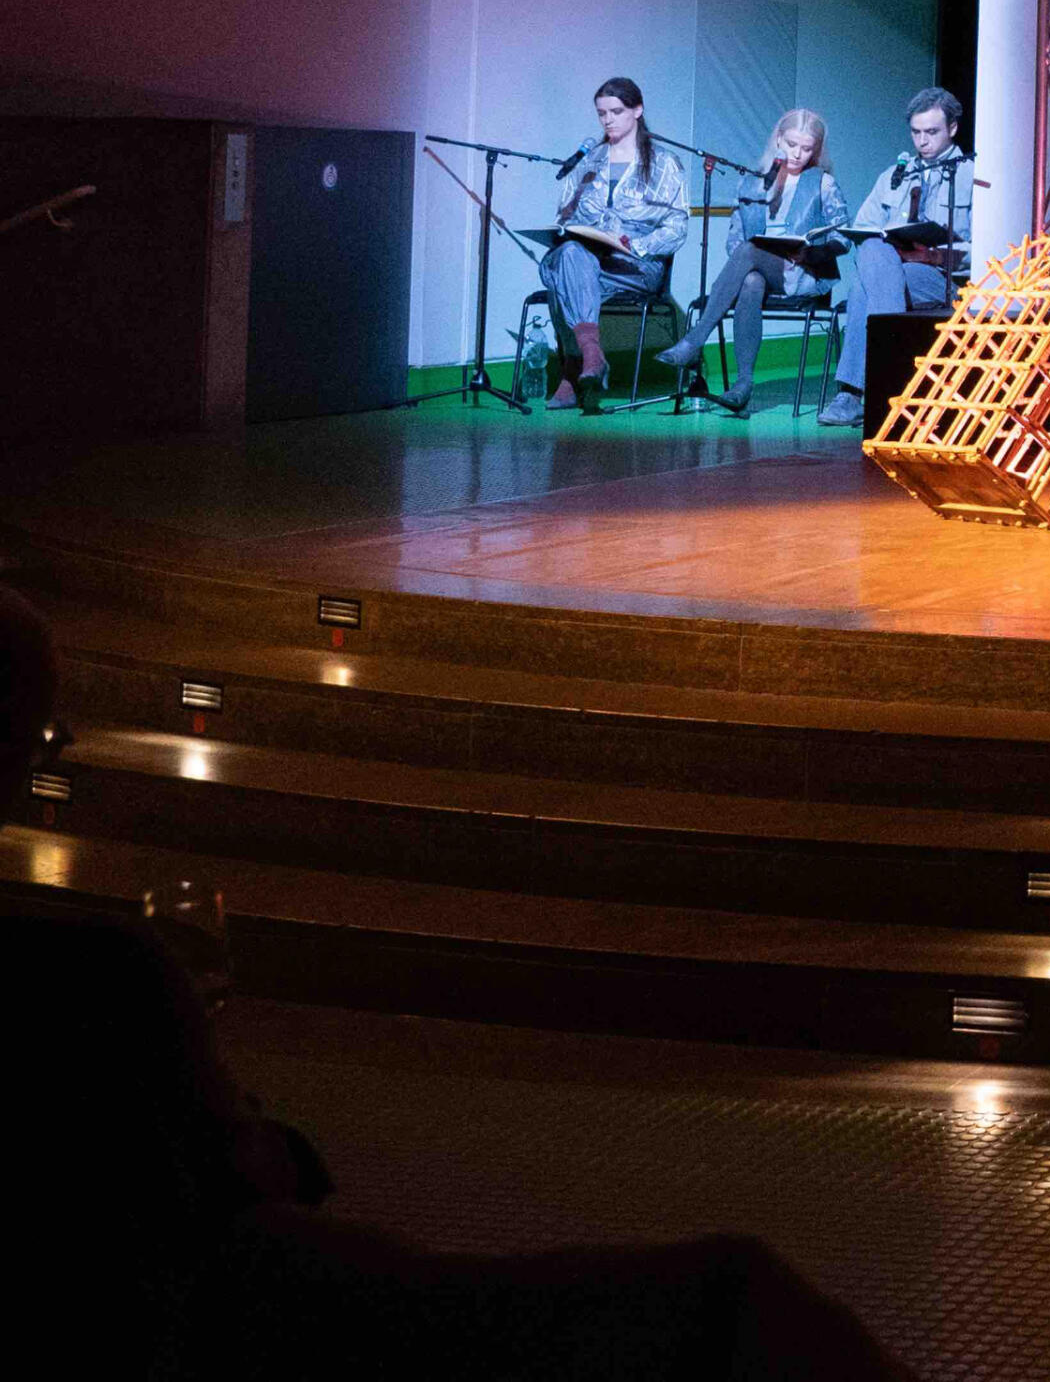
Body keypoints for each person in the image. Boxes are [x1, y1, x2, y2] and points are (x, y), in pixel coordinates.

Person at [0, 591, 922, 1381]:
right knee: (737, 1301)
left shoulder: (81, 960)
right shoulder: (96, 971)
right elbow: (252, 1181)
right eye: (41, 739)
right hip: (221, 1322)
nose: (53, 756)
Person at [656, 109, 849, 409]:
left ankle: (695, 340)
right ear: (778, 140)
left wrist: (810, 253)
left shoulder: (822, 183)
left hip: (802, 273)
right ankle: (743, 384)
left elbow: (843, 238)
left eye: (807, 148)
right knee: (750, 280)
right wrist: (753, 255)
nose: (797, 154)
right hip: (760, 270)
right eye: (791, 144)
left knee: (749, 251)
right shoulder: (751, 182)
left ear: (816, 151)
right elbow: (734, 239)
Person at [819, 89, 976, 430]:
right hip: (892, 272)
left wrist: (933, 254)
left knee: (863, 290)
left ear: (952, 128)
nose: (922, 141)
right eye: (916, 132)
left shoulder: (972, 176)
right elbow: (863, 227)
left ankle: (853, 393)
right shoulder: (895, 175)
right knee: (873, 251)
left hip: (943, 280)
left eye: (931, 132)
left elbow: (988, 249)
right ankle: (890, 386)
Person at [541, 75, 691, 415]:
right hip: (588, 260)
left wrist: (635, 245)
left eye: (616, 111)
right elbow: (564, 215)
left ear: (637, 110)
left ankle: (573, 370)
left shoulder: (664, 163)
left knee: (565, 276)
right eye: (601, 113)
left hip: (635, 265)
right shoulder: (588, 161)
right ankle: (592, 355)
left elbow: (677, 227)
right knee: (570, 256)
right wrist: (569, 229)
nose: (607, 120)